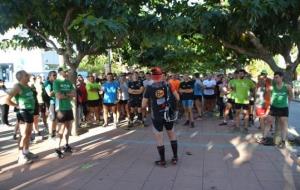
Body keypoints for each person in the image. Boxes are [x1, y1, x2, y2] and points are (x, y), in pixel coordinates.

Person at [142, 67, 180, 166]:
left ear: (152, 76)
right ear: (161, 75)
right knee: (171, 134)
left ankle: (162, 160)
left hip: (157, 115)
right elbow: (177, 97)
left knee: (159, 137)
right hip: (168, 113)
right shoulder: (168, 84)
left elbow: (143, 104)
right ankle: (175, 157)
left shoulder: (149, 87)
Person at [5, 70, 37, 164]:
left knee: (28, 134)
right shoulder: (17, 86)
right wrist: (17, 106)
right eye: (27, 75)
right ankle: (21, 156)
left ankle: (26, 151)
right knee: (24, 135)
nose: (28, 76)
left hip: (30, 112)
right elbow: (7, 100)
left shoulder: (27, 86)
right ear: (22, 77)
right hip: (23, 112)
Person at [53, 67, 75, 158]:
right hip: (60, 109)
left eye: (67, 71)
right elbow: (58, 96)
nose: (66, 72)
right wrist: (68, 95)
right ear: (59, 72)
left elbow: (74, 94)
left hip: (69, 108)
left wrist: (65, 95)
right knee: (61, 129)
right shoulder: (56, 82)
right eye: (64, 71)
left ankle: (66, 145)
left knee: (68, 128)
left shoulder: (69, 82)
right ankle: (57, 148)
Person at [269, 71, 293, 148]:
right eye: (274, 77)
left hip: (283, 108)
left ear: (281, 77)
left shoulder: (287, 86)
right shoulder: (273, 86)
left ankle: (283, 142)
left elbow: (291, 96)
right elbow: (270, 95)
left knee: (284, 124)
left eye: (277, 77)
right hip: (274, 107)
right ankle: (267, 138)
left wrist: (287, 103)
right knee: (268, 121)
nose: (275, 79)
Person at [255, 71, 272, 144]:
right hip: (259, 105)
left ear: (266, 77)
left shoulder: (269, 85)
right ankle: (263, 136)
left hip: (267, 105)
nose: (262, 79)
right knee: (262, 120)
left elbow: (271, 95)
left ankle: (265, 135)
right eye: (260, 78)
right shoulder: (257, 85)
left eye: (263, 77)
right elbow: (256, 96)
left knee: (267, 120)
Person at [44, 71, 57, 139]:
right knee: (51, 118)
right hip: (49, 103)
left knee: (55, 118)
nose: (55, 76)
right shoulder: (47, 83)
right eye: (54, 75)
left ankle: (54, 132)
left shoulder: (54, 82)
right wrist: (56, 89)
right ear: (49, 76)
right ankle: (50, 133)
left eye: (56, 75)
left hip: (55, 102)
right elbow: (49, 94)